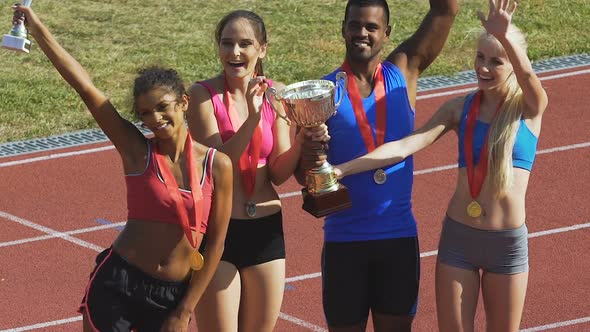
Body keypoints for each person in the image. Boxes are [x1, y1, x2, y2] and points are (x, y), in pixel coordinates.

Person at [12, 4, 233, 331]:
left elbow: (215, 243)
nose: (155, 120)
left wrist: (184, 310)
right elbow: (86, 87)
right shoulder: (136, 151)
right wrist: (37, 29)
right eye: (145, 113)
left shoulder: (218, 165)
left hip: (171, 296)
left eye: (162, 108)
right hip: (119, 284)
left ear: (184, 103)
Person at [332, 1, 547, 331]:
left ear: (511, 64)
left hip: (506, 244)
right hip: (458, 239)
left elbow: (529, 77)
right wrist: (343, 169)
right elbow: (405, 145)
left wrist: (506, 38)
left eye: (496, 61)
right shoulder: (458, 109)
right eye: (480, 58)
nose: (484, 68)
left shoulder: (529, 110)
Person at [296, 0, 459, 331]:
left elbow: (445, 11)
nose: (362, 33)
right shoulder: (322, 93)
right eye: (354, 25)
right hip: (345, 241)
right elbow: (305, 176)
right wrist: (313, 150)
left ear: (387, 33)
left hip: (397, 237)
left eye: (371, 27)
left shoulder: (405, 69)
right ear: (343, 29)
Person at [186, 10, 314, 332]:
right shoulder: (202, 95)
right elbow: (218, 165)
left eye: (245, 44)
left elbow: (279, 173)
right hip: (219, 229)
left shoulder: (277, 94)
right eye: (227, 44)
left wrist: (303, 139)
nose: (235, 53)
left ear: (262, 49)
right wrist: (253, 121)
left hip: (266, 229)